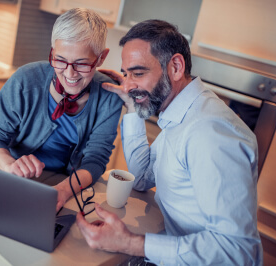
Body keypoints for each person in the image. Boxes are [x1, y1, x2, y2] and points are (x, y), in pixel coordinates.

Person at [76, 19, 263, 265]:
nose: (129, 84)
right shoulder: (181, 114)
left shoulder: (208, 133)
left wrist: (130, 244)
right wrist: (133, 106)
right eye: (126, 74)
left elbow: (238, 251)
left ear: (175, 66)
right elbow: (142, 178)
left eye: (138, 73)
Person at [0, 8, 123, 211]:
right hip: (14, 178)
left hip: (67, 186)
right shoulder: (24, 80)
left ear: (101, 58)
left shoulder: (109, 96)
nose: (69, 73)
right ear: (52, 51)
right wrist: (9, 165)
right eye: (60, 60)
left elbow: (95, 160)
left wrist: (63, 191)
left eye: (82, 64)